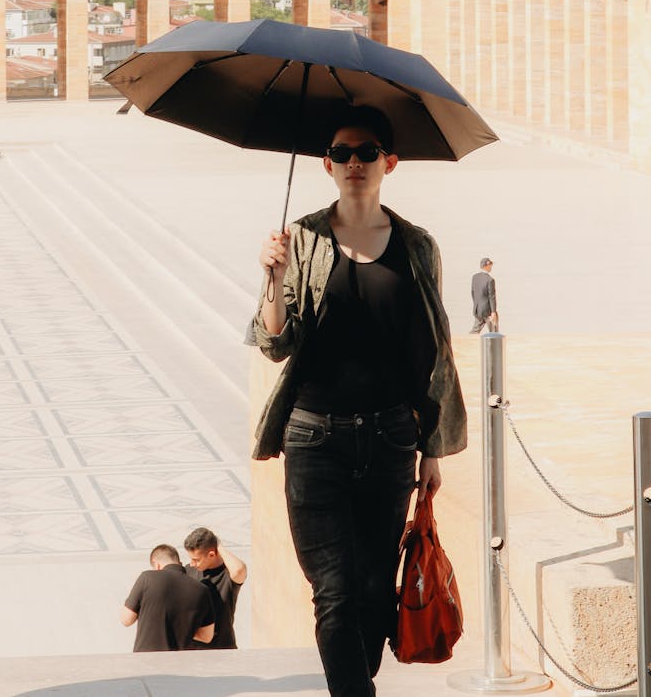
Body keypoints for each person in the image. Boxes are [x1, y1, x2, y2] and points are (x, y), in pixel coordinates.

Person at [250, 105, 467, 697]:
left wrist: (433, 451)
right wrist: (272, 277)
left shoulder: (418, 247)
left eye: (366, 152)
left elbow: (433, 354)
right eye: (342, 153)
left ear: (389, 163)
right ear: (325, 164)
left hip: (392, 438)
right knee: (335, 593)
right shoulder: (301, 237)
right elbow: (274, 341)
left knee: (373, 595)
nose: (353, 162)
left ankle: (354, 680)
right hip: (313, 437)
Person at [120, 543, 215, 652]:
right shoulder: (202, 590)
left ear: (157, 565)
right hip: (180, 663)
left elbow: (126, 619)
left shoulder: (147, 578)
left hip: (145, 661)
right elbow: (206, 636)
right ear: (179, 563)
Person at [184, 526, 247, 649]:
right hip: (192, 650)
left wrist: (219, 546)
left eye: (196, 560)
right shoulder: (189, 571)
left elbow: (240, 570)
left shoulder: (228, 574)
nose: (192, 564)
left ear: (212, 554)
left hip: (222, 648)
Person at [470, 257, 498, 333]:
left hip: (478, 309)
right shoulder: (490, 280)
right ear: (486, 266)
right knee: (493, 331)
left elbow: (472, 292)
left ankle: (468, 341)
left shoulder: (475, 277)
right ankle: (494, 344)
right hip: (488, 310)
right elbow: (492, 297)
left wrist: (477, 305)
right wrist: (493, 312)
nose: (491, 267)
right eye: (490, 265)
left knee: (475, 330)